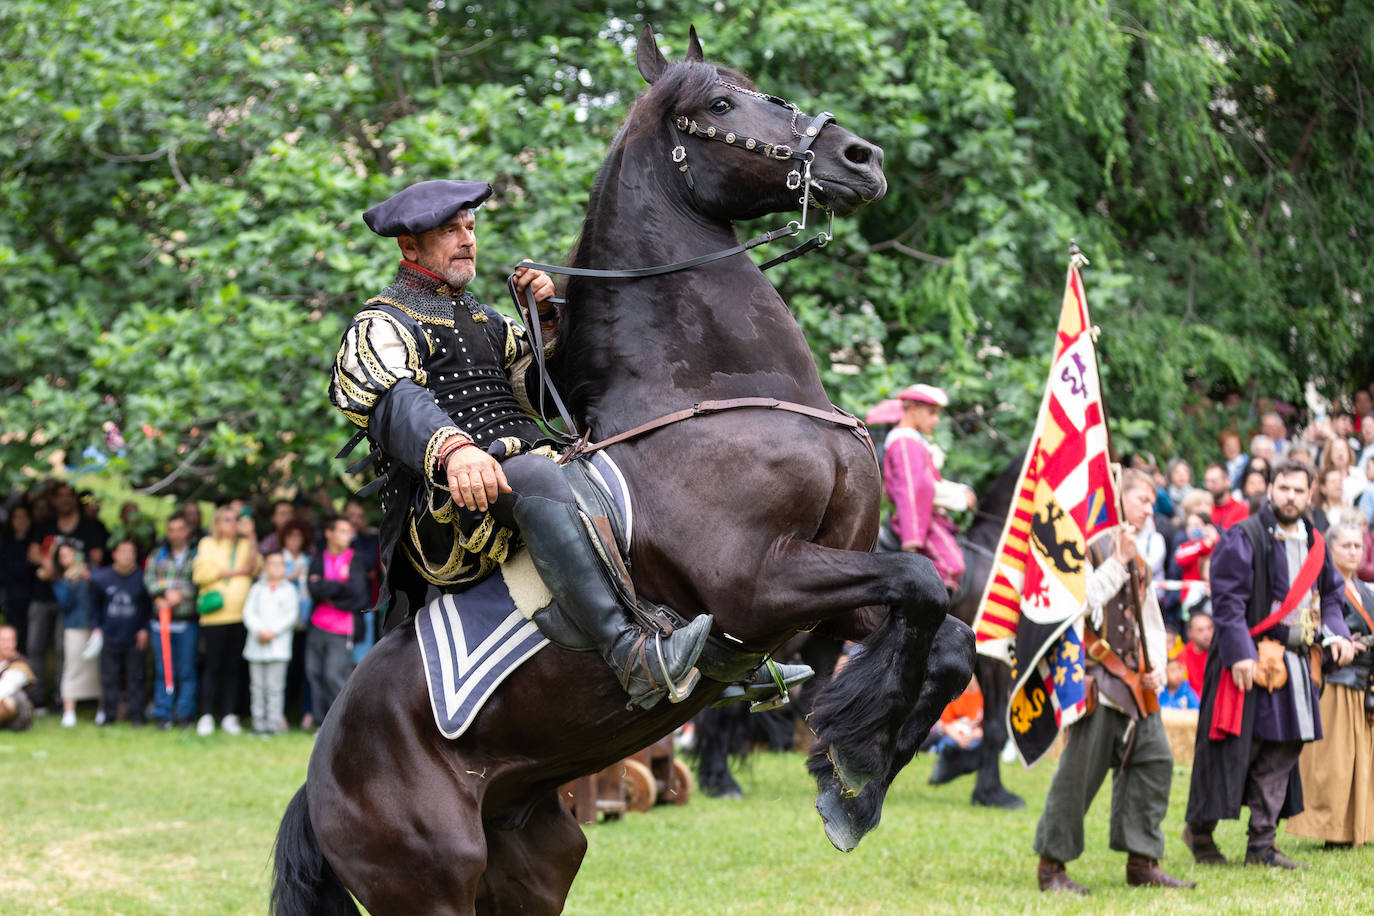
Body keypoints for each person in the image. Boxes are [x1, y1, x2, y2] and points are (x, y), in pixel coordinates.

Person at [327, 178, 719, 710]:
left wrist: (548, 323)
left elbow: (543, 392)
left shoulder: (490, 321)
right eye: (449, 230)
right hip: (451, 508)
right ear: (409, 246)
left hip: (535, 465)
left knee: (638, 470)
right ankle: (631, 654)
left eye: (468, 227)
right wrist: (454, 451)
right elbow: (393, 402)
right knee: (533, 475)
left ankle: (727, 653)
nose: (467, 239)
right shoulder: (380, 322)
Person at [1183, 459, 1358, 869]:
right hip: (1244, 663)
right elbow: (1227, 602)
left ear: (1310, 494)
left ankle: (1261, 845)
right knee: (1235, 751)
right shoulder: (1242, 537)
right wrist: (1240, 652)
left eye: (1299, 490)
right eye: (1284, 488)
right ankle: (1201, 833)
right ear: (1271, 488)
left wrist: (1337, 634)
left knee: (1282, 752)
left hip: (1295, 668)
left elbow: (1331, 595)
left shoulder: (1316, 542)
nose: (1291, 497)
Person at [1033, 469, 1192, 893]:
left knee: (1155, 761)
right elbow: (1076, 605)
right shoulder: (1084, 546)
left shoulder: (1136, 557)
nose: (1149, 508)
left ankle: (1142, 863)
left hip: (1136, 686)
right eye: (1142, 499)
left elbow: (1151, 622)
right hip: (1096, 682)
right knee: (1078, 776)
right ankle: (1051, 867)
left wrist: (1156, 663)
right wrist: (1117, 564)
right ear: (1118, 499)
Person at [1286, 521, 1374, 846]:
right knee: (1333, 764)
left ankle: (1358, 829)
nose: (1353, 551)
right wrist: (1342, 644)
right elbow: (1310, 632)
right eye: (1345, 546)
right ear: (1330, 551)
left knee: (1361, 763)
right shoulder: (1320, 591)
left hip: (1364, 682)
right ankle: (1330, 829)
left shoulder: (1366, 590)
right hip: (1335, 682)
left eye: (1357, 546)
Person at [882, 383, 974, 591]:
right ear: (913, 409)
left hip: (924, 515)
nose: (936, 419)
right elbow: (913, 491)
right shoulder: (905, 443)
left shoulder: (912, 441)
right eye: (932, 413)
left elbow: (928, 483)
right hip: (916, 520)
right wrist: (912, 539)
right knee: (952, 565)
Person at [26, 481, 108, 711]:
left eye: (68, 495)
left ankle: (61, 700)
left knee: (65, 650)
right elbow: (33, 553)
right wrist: (52, 568)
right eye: (59, 496)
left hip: (74, 600)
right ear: (54, 500)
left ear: (74, 499)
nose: (64, 500)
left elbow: (97, 557)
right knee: (36, 647)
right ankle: (37, 698)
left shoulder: (89, 527)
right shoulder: (46, 525)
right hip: (43, 596)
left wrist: (74, 570)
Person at [192, 504, 260, 735]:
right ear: (218, 523)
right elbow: (201, 574)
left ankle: (229, 715)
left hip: (240, 616)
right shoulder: (207, 544)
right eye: (228, 520)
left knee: (233, 668)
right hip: (214, 618)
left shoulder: (244, 544)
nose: (233, 524)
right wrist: (234, 572)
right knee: (212, 667)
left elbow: (253, 568)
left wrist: (251, 537)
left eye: (236, 520)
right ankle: (206, 715)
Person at [306, 516, 371, 721]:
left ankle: (340, 722)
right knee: (314, 673)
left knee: (334, 676)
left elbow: (359, 594)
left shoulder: (355, 559)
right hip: (317, 624)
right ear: (329, 533)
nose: (347, 537)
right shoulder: (319, 558)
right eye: (342, 531)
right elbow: (313, 589)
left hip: (342, 627)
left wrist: (329, 593)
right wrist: (339, 588)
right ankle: (320, 722)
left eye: (349, 532)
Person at [145, 513, 199, 729]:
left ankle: (185, 713)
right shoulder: (158, 555)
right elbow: (148, 579)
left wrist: (180, 595)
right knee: (163, 669)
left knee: (187, 669)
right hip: (161, 622)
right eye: (171, 529)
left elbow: (199, 580)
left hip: (186, 621)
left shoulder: (196, 556)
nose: (175, 533)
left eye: (180, 528)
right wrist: (162, 594)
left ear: (187, 531)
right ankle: (163, 713)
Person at [90, 539, 151, 726]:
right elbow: (93, 607)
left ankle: (137, 716)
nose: (126, 555)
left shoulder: (143, 578)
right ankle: (109, 716)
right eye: (122, 551)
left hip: (134, 637)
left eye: (131, 552)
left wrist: (144, 629)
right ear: (114, 554)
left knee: (136, 678)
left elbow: (148, 608)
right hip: (109, 636)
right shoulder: (100, 578)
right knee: (109, 679)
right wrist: (96, 628)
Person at [242, 551, 300, 735]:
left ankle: (273, 725)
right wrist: (259, 630)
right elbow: (248, 613)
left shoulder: (289, 590)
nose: (276, 568)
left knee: (274, 688)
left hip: (278, 646)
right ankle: (258, 725)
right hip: (256, 644)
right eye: (272, 564)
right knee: (257, 688)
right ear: (264, 567)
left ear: (285, 568)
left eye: (280, 564)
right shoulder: (257, 588)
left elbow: (290, 616)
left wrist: (273, 631)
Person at [50, 541, 100, 727]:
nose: (67, 559)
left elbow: (101, 593)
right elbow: (65, 604)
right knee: (72, 667)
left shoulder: (93, 571)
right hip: (74, 626)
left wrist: (88, 578)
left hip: (95, 625)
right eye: (62, 556)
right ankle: (69, 711)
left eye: (69, 554)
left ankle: (101, 710)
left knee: (98, 668)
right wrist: (71, 583)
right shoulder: (60, 579)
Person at [0, 503, 36, 656]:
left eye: (24, 517)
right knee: (13, 639)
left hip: (34, 598)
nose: (21, 521)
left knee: (32, 641)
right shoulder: (5, 543)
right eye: (17, 517)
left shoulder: (34, 542)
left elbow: (34, 571)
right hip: (12, 598)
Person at [0, 624, 36, 731]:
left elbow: (4, 689)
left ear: (15, 643)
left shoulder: (20, 664)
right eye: (3, 640)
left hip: (19, 716)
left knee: (7, 700)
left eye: (10, 640)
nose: (7, 644)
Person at [1203, 462, 1248, 532]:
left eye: (1214, 481)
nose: (1209, 486)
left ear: (1227, 481)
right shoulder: (1205, 510)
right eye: (1207, 482)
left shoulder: (1241, 510)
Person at [1178, 612, 1213, 696]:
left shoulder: (1221, 653)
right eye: (1200, 630)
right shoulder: (1182, 658)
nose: (1207, 634)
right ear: (1190, 633)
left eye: (1209, 628)